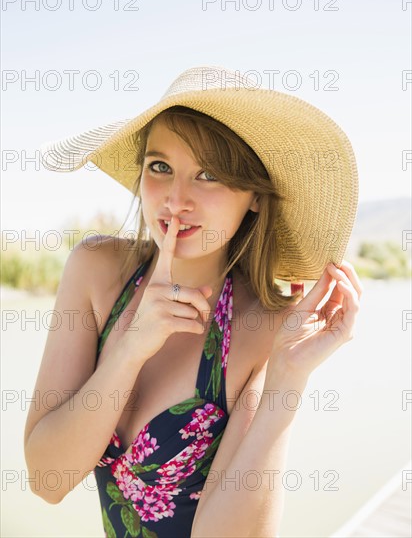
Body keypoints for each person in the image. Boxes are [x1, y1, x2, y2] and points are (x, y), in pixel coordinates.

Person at [25, 65, 362, 538]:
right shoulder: (98, 272)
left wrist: (288, 381)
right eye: (160, 167)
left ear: (256, 198)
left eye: (208, 175)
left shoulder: (264, 327)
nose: (176, 199)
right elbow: (46, 481)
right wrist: (128, 351)